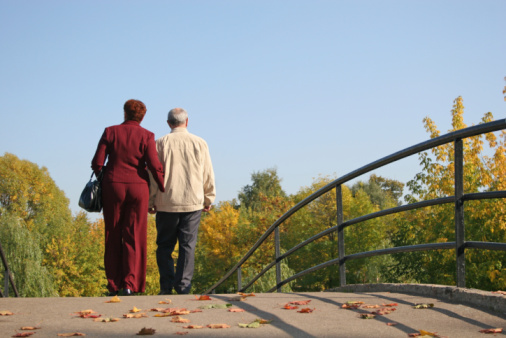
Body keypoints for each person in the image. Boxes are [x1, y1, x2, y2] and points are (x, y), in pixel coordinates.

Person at [92, 99, 165, 296]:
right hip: (138, 188)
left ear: (124, 113)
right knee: (135, 236)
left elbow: (97, 163)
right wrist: (162, 185)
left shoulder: (110, 131)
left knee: (113, 234)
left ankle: (114, 285)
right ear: (143, 116)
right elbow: (153, 164)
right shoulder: (147, 135)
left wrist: (108, 174)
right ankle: (130, 284)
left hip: (113, 186)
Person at [149, 107, 215, 295]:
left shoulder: (159, 144)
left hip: (166, 200)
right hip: (192, 200)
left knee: (164, 246)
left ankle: (166, 287)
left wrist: (151, 199)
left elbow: (153, 175)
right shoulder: (200, 143)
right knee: (187, 245)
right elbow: (207, 172)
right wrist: (208, 197)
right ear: (187, 121)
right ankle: (183, 286)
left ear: (169, 123)